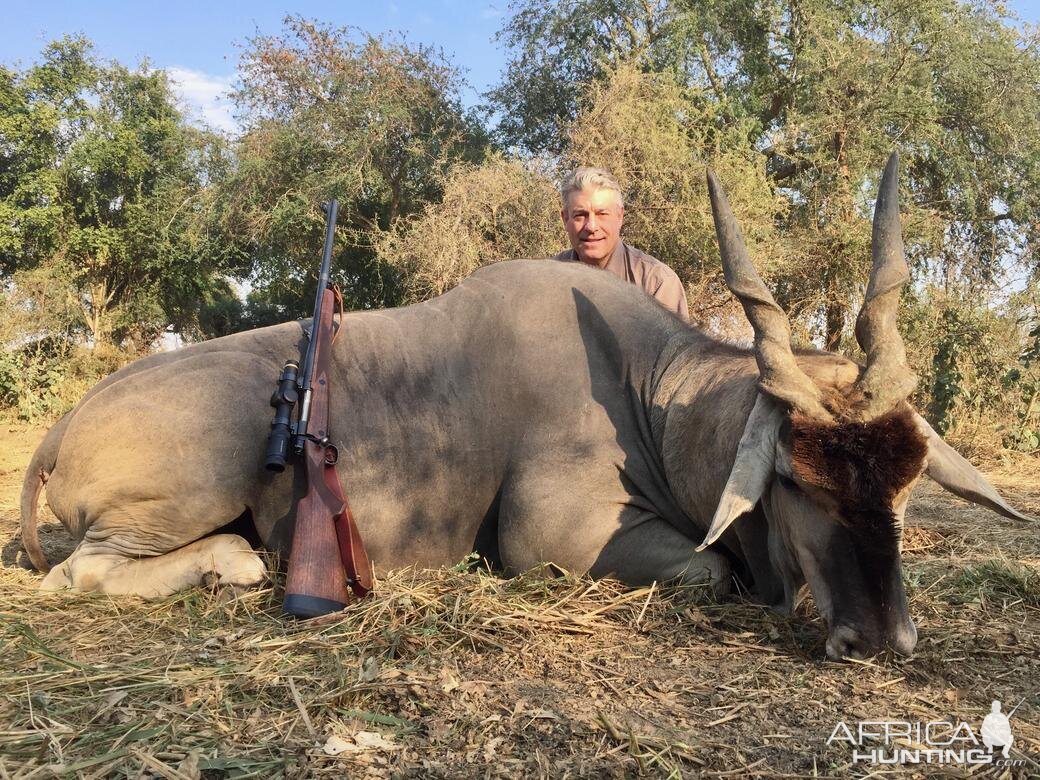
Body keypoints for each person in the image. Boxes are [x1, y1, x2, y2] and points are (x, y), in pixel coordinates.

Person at [555, 167, 690, 322]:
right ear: (565, 219)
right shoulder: (547, 278)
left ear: (620, 217)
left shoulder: (656, 282)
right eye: (580, 215)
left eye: (602, 214)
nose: (591, 227)